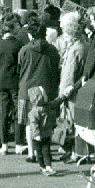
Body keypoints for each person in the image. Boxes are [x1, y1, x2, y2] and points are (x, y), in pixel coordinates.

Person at [18, 12, 60, 161]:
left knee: (29, 122)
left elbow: (19, 69)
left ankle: (32, 153)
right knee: (46, 123)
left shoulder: (24, 50)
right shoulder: (53, 50)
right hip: (47, 90)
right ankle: (45, 153)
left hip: (27, 90)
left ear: (30, 34)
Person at [57, 11, 88, 162]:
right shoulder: (85, 44)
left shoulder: (75, 49)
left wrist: (62, 94)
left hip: (72, 93)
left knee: (73, 123)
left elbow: (68, 76)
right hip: (80, 89)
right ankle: (79, 152)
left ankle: (77, 153)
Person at [0, 14, 25, 155]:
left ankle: (4, 144)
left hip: (0, 81)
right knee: (19, 112)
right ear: (13, 30)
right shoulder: (18, 45)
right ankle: (19, 143)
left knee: (3, 113)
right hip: (15, 81)